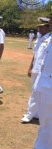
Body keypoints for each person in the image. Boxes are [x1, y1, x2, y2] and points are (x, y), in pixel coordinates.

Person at [22, 17, 51, 123]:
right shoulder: (39, 38)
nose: (39, 29)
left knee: (36, 92)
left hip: (42, 71)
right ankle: (36, 113)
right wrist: (30, 67)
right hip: (36, 69)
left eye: (42, 27)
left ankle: (30, 114)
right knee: (35, 91)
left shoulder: (49, 40)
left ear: (48, 28)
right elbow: (36, 55)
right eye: (39, 27)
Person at [33, 17, 52, 148]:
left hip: (49, 85)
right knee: (44, 119)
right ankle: (42, 144)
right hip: (43, 83)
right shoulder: (48, 40)